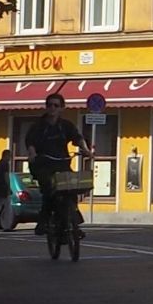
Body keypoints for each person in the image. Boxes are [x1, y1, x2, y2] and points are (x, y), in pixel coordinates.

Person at [18, 94, 89, 240]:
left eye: (56, 105)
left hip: (62, 164)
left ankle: (73, 222)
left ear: (62, 108)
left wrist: (85, 149)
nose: (52, 108)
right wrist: (32, 153)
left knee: (71, 188)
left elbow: (77, 138)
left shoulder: (65, 126)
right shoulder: (38, 126)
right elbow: (30, 142)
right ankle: (43, 221)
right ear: (46, 107)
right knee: (49, 189)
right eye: (50, 105)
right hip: (43, 165)